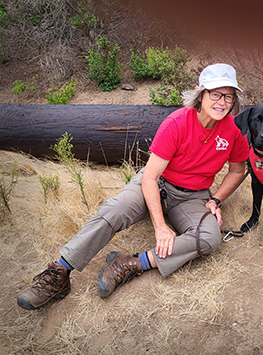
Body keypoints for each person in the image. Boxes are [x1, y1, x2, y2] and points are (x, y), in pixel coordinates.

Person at [17, 63, 249, 310]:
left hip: (192, 197)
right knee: (114, 210)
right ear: (200, 93)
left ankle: (129, 263)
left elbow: (237, 170)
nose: (222, 102)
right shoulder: (177, 123)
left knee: (210, 239)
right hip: (156, 183)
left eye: (228, 96)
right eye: (215, 94)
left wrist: (215, 200)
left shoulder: (234, 129)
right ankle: (59, 273)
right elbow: (150, 177)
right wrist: (160, 227)